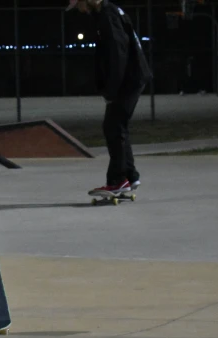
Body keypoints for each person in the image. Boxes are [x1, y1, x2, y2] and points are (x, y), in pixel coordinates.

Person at [67, 0, 153, 196]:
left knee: (113, 127)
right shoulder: (108, 12)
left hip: (127, 79)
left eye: (79, 4)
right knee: (118, 127)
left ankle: (118, 181)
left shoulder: (108, 16)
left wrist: (112, 91)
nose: (80, 10)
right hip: (132, 77)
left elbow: (117, 54)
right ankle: (130, 176)